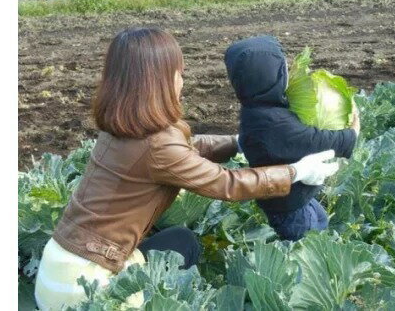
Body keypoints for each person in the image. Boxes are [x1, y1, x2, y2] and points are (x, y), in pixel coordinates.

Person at [34, 27, 341, 310]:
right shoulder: (157, 145)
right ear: (158, 82)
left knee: (181, 243)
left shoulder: (120, 125)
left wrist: (238, 141)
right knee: (175, 258)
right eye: (178, 73)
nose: (182, 81)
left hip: (57, 269)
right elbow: (227, 184)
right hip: (84, 290)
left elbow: (188, 150)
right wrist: (296, 172)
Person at [224, 35, 361, 241]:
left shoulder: (260, 109)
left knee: (320, 223)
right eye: (283, 69)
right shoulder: (274, 123)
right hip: (289, 210)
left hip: (295, 198)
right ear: (271, 77)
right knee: (303, 245)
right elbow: (313, 139)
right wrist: (349, 136)